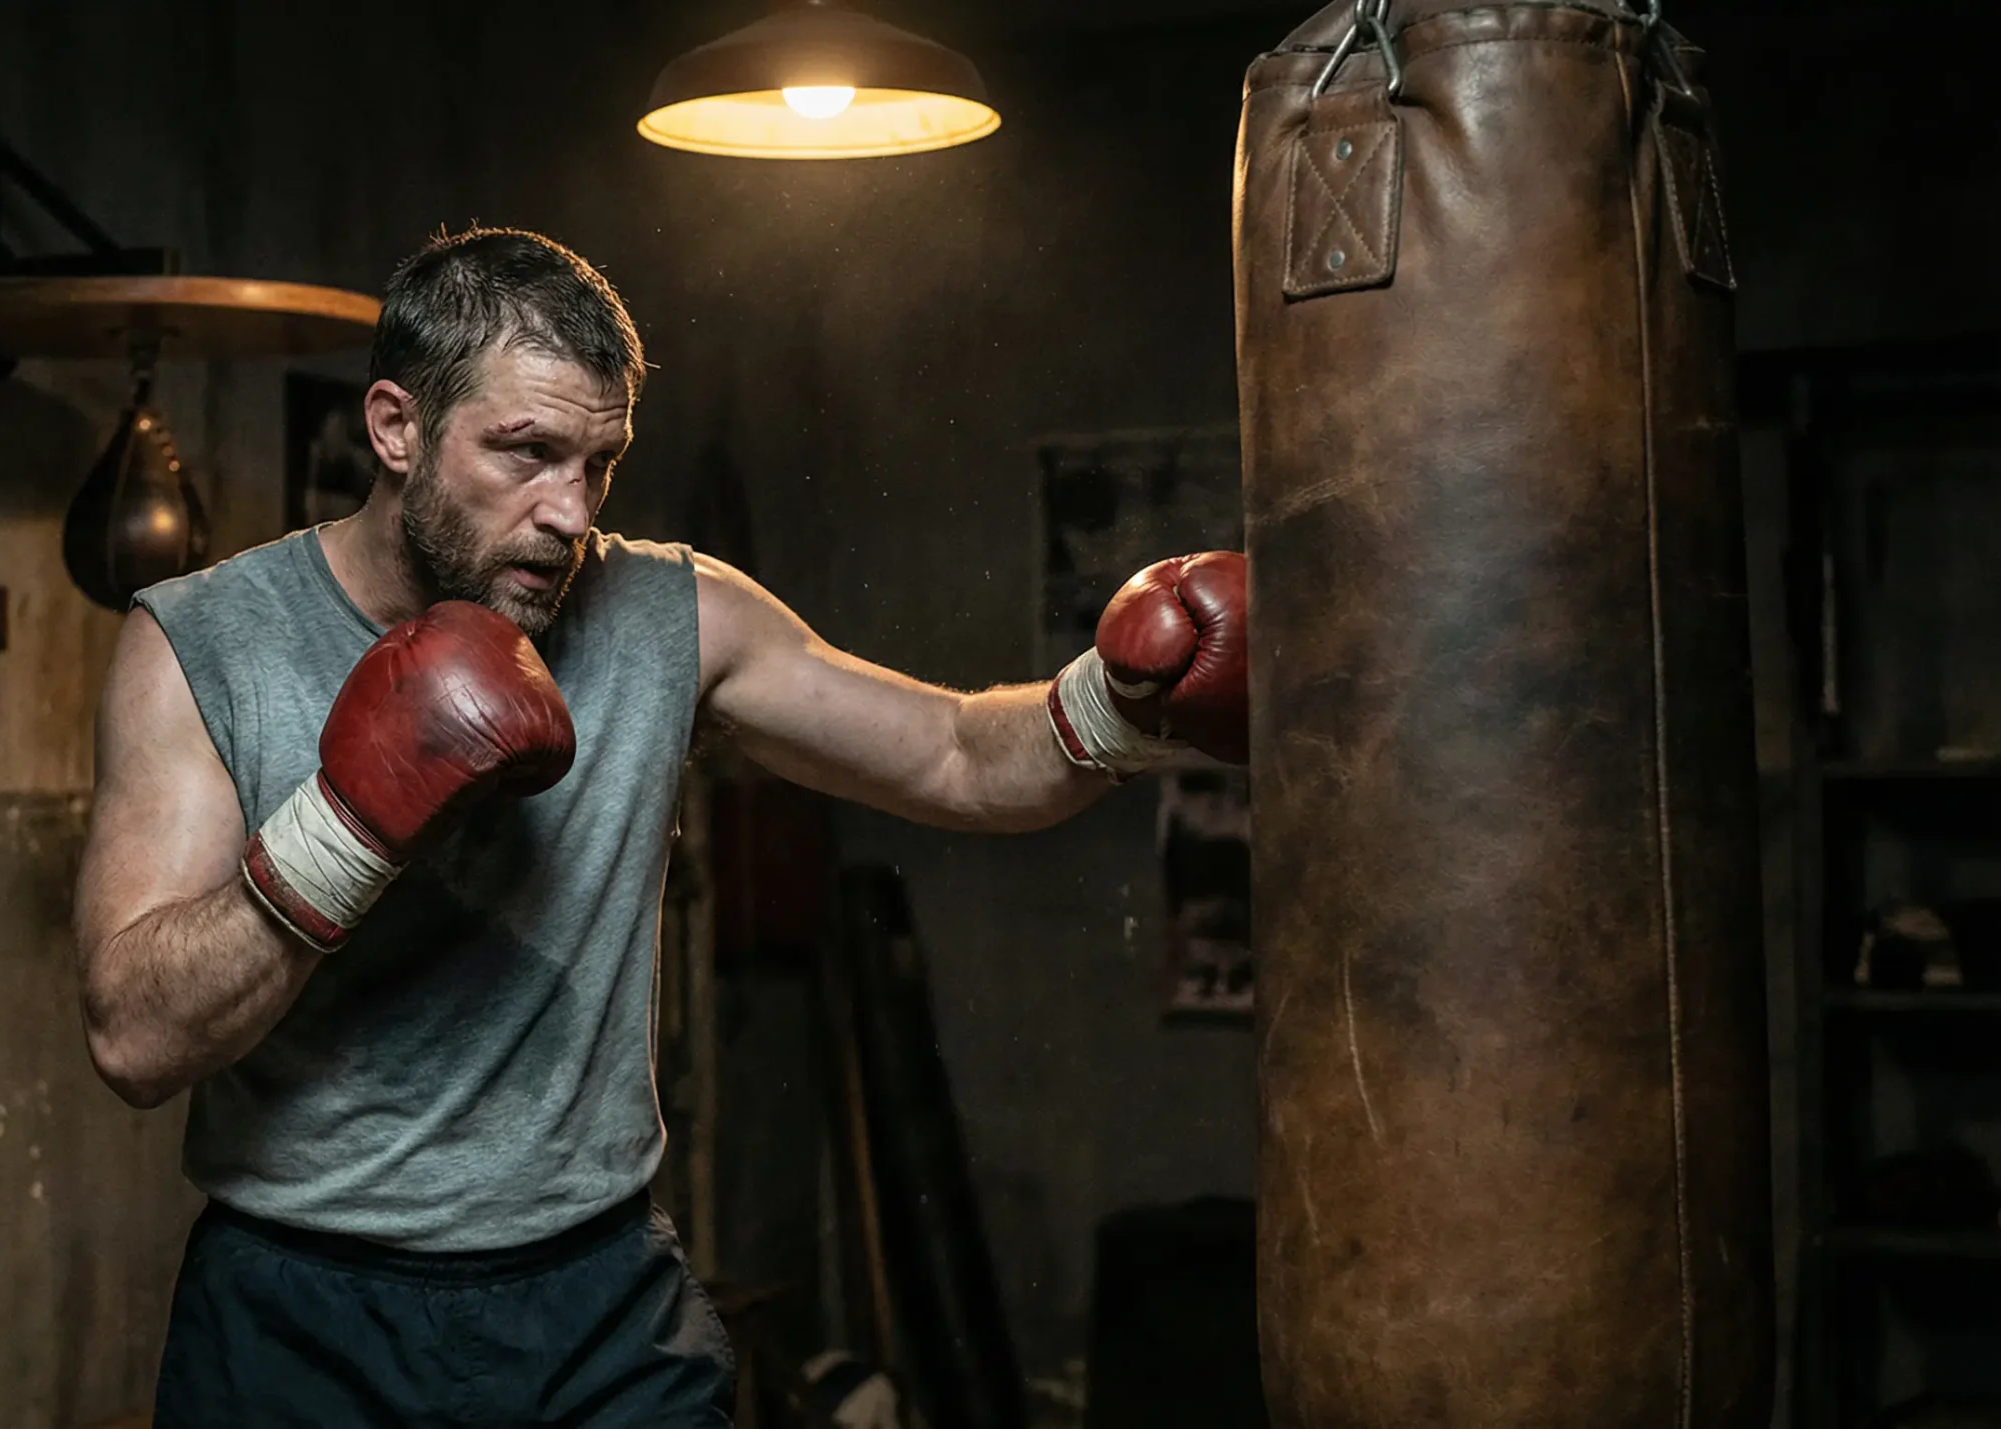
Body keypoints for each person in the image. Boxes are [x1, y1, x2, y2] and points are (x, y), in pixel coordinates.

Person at [72, 227, 1248, 1427]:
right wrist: (346, 827)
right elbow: (134, 1039)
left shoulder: (669, 612)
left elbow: (954, 754)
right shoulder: (204, 643)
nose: (566, 513)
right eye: (525, 453)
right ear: (395, 428)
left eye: (600, 463)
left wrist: (1116, 705)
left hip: (596, 1307)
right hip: (301, 1312)